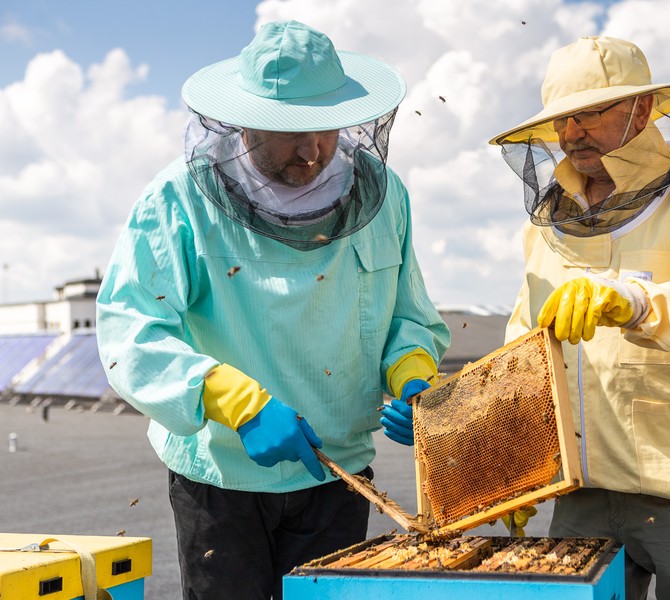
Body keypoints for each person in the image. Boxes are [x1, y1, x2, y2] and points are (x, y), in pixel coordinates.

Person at [96, 21, 449, 600]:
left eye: (326, 129)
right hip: (221, 477)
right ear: (242, 120)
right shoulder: (178, 198)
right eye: (290, 133)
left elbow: (407, 313)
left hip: (339, 475)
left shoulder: (384, 195)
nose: (312, 150)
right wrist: (231, 400)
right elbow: (129, 332)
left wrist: (412, 373)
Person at [489, 36, 670, 599]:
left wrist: (637, 302)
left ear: (642, 109)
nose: (572, 134)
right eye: (563, 120)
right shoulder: (549, 222)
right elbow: (523, 351)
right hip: (580, 493)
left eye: (590, 113)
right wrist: (510, 469)